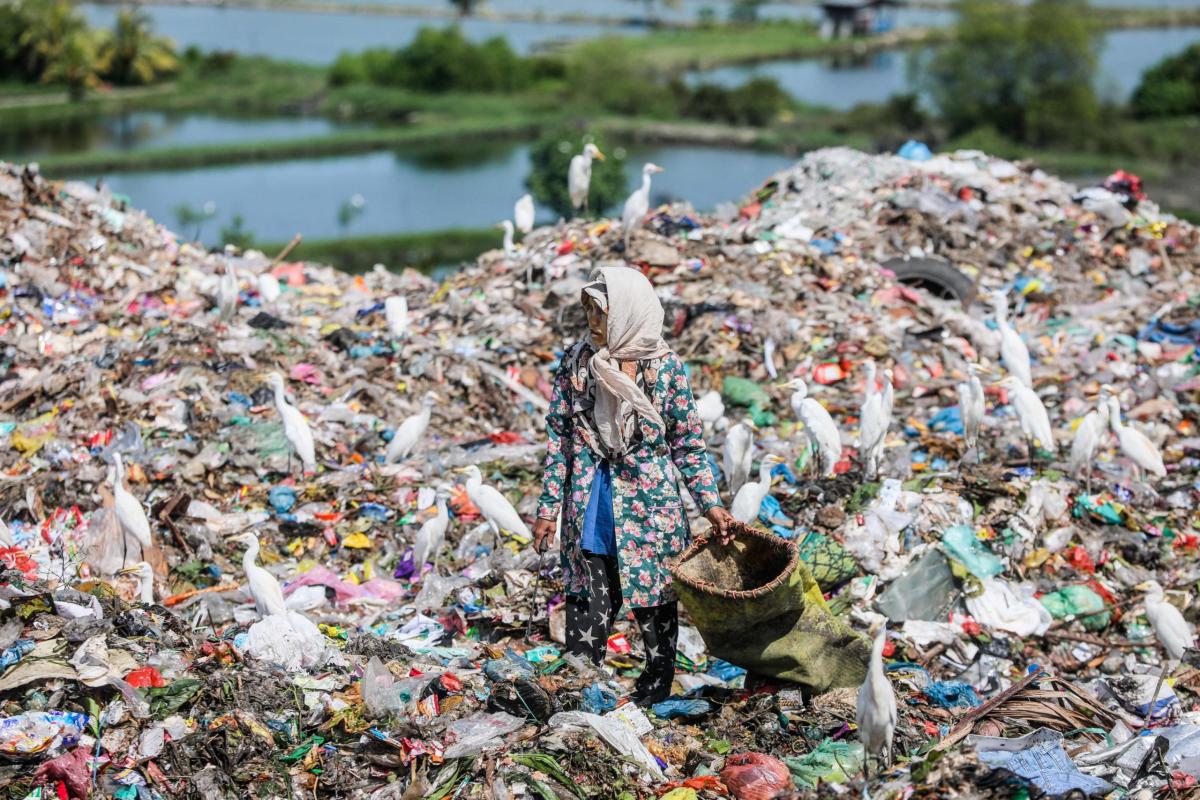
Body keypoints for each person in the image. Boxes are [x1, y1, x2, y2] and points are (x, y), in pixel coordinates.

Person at [531, 266, 734, 705]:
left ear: (626, 313)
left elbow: (687, 444)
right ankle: (580, 690)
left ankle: (654, 689)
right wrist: (548, 509)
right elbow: (560, 439)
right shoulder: (577, 363)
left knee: (655, 600)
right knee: (588, 595)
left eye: (601, 313)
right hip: (592, 499)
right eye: (588, 311)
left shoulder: (664, 370)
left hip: (650, 505)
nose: (593, 323)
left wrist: (711, 505)